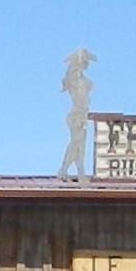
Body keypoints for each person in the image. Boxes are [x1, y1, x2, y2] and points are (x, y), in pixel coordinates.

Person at [57, 47, 96, 180]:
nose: (87, 64)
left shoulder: (81, 80)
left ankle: (78, 171)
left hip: (81, 114)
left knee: (80, 144)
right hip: (76, 115)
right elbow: (80, 99)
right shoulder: (76, 80)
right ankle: (64, 169)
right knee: (76, 143)